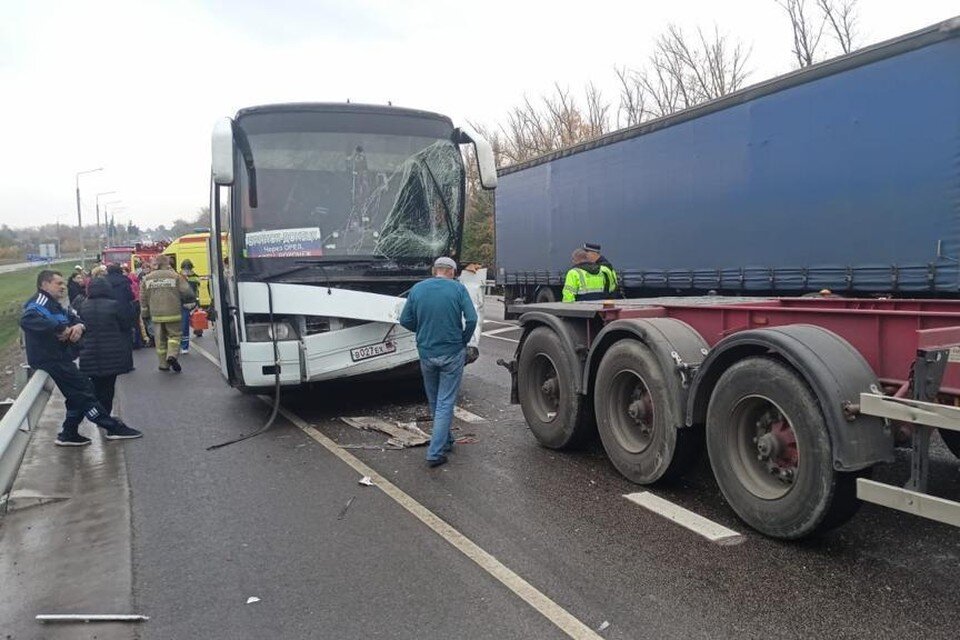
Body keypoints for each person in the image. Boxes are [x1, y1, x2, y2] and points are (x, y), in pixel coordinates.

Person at [19, 270, 142, 446]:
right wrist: (60, 329)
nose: (63, 287)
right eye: (58, 283)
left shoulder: (56, 304)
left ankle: (68, 433)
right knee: (84, 392)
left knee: (78, 394)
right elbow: (27, 320)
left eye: (63, 283)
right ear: (44, 285)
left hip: (62, 357)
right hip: (51, 359)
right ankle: (112, 426)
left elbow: (75, 318)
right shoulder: (40, 302)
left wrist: (79, 326)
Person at [399, 257, 478, 468]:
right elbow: (471, 319)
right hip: (452, 352)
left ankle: (447, 439)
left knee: (435, 400)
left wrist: (423, 331)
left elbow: (404, 320)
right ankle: (435, 452)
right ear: (452, 272)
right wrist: (463, 339)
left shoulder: (417, 289)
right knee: (445, 402)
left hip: (426, 352)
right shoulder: (458, 289)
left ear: (435, 270)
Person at [78, 278, 134, 415]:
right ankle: (106, 417)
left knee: (95, 387)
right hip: (111, 354)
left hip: (89, 353)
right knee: (108, 388)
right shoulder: (114, 305)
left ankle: (97, 415)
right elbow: (125, 325)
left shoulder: (83, 306)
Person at [141, 255, 195, 372]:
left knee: (160, 339)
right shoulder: (175, 276)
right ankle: (172, 355)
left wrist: (145, 313)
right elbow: (187, 292)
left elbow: (143, 298)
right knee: (174, 335)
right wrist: (190, 302)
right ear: (167, 264)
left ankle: (163, 365)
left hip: (156, 314)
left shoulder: (147, 278)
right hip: (173, 312)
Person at [178, 259, 201, 352]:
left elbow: (195, 291)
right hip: (181, 303)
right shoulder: (179, 276)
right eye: (184, 269)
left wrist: (196, 303)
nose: (186, 271)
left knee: (185, 326)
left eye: (188, 269)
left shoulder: (195, 277)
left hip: (189, 304)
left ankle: (184, 346)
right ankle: (182, 344)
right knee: (181, 326)